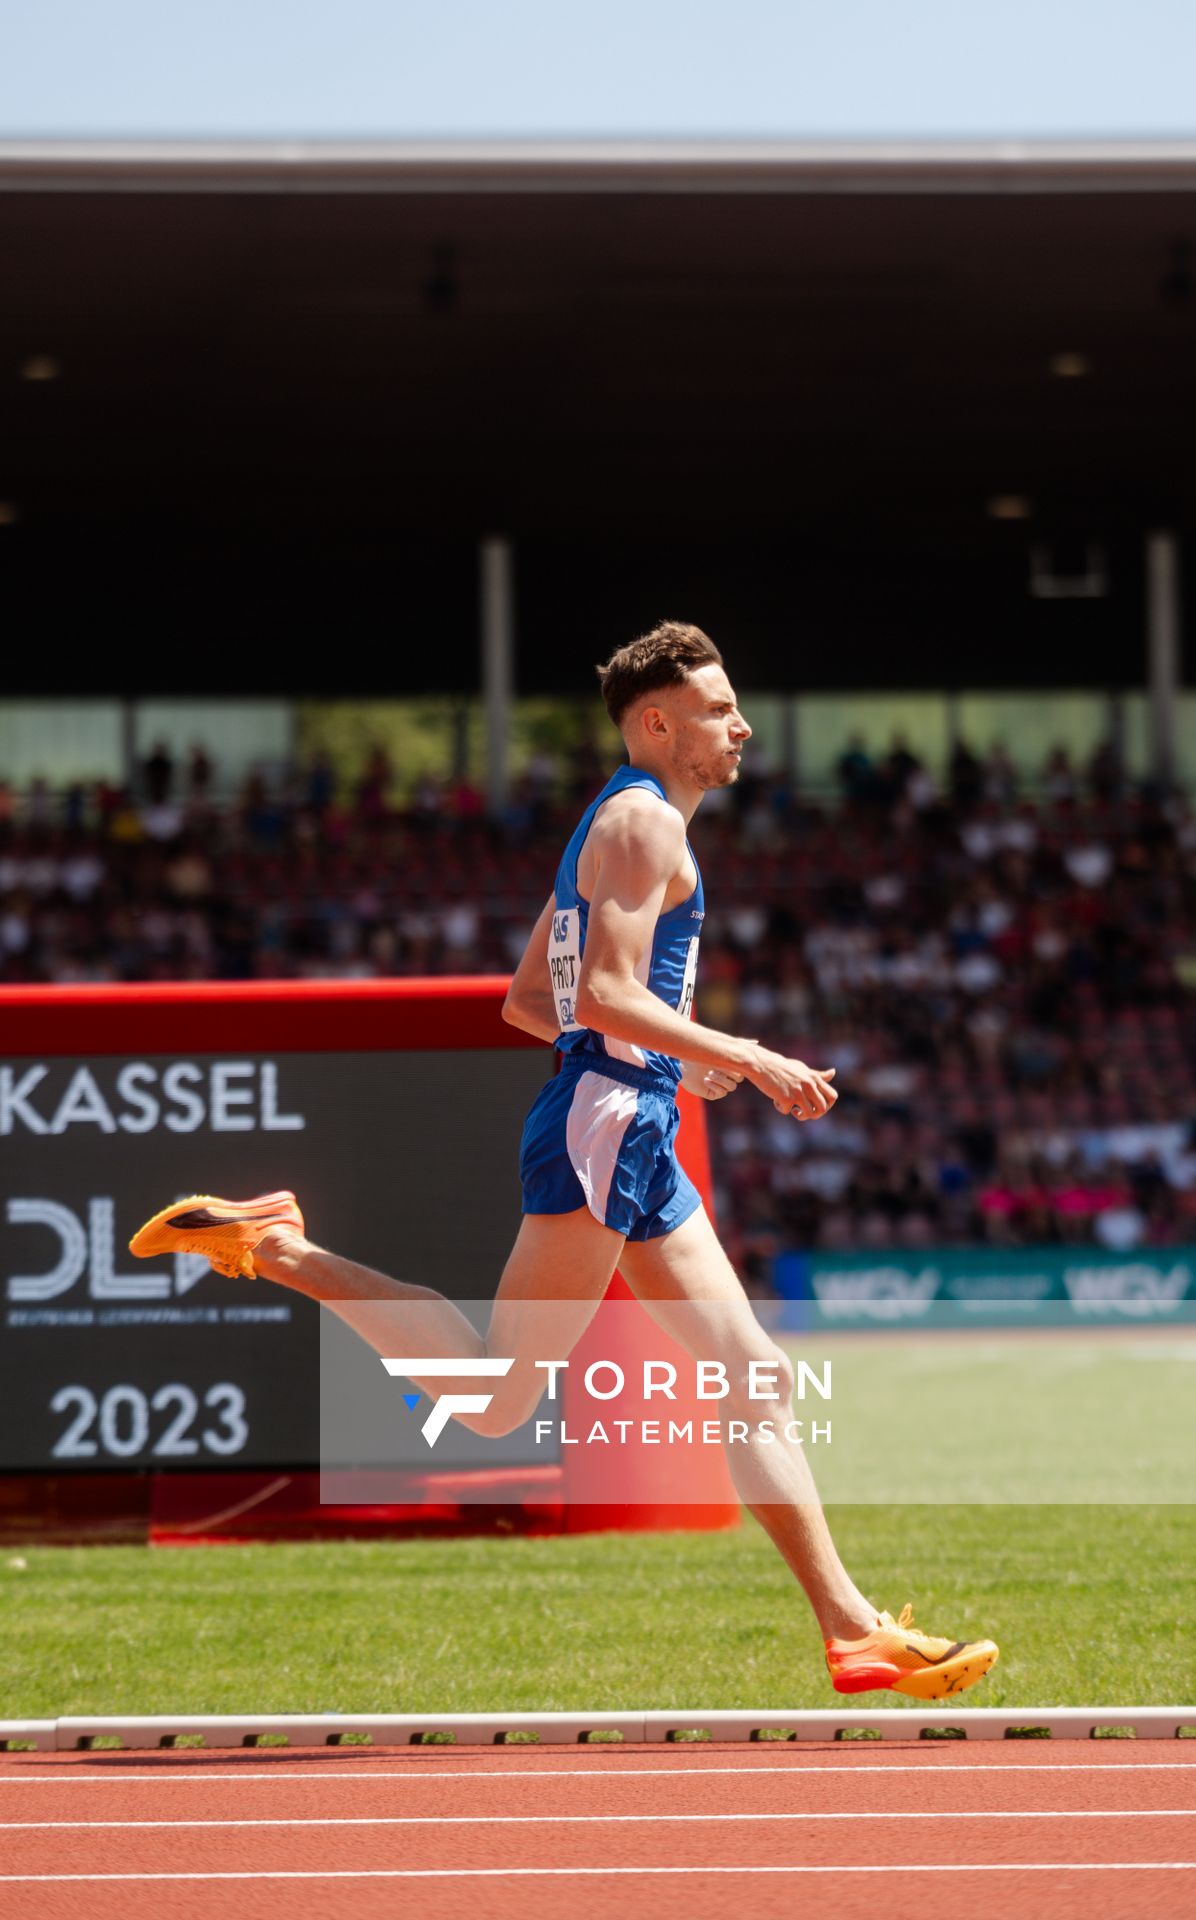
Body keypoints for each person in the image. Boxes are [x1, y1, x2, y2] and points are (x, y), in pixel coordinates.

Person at [129, 621, 998, 1702]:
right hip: (607, 1123)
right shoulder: (641, 823)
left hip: (626, 1114)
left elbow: (528, 1001)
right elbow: (600, 998)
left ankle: (850, 1630)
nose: (741, 726)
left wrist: (662, 1066)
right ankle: (279, 1247)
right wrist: (741, 1054)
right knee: (496, 1397)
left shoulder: (623, 820)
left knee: (755, 1374)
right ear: (656, 722)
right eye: (719, 708)